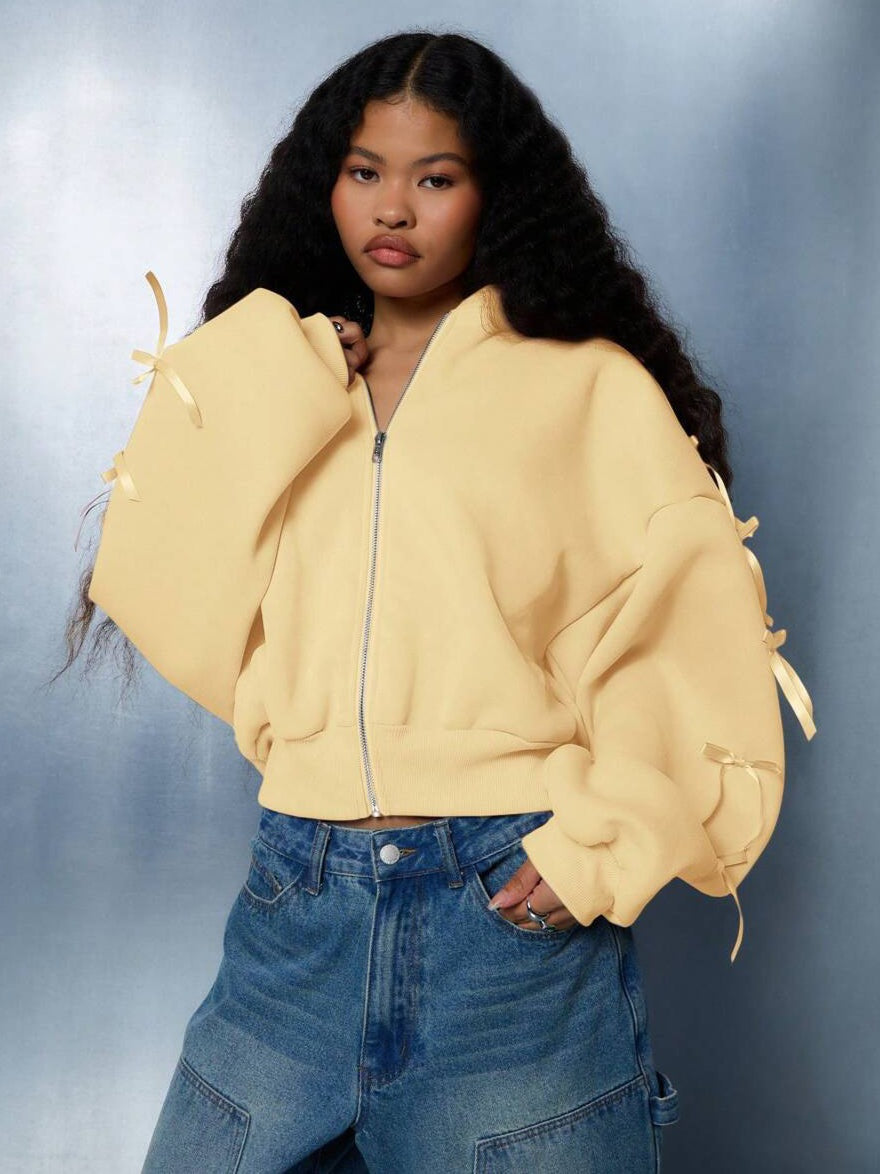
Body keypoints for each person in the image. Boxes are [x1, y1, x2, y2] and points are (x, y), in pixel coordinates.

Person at [56, 29, 816, 1174]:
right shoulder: (291, 379)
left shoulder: (585, 387)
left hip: (502, 924)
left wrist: (598, 849)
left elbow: (685, 632)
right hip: (297, 907)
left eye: (436, 177)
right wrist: (270, 380)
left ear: (490, 194)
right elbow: (160, 570)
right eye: (365, 171)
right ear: (326, 183)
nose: (393, 208)